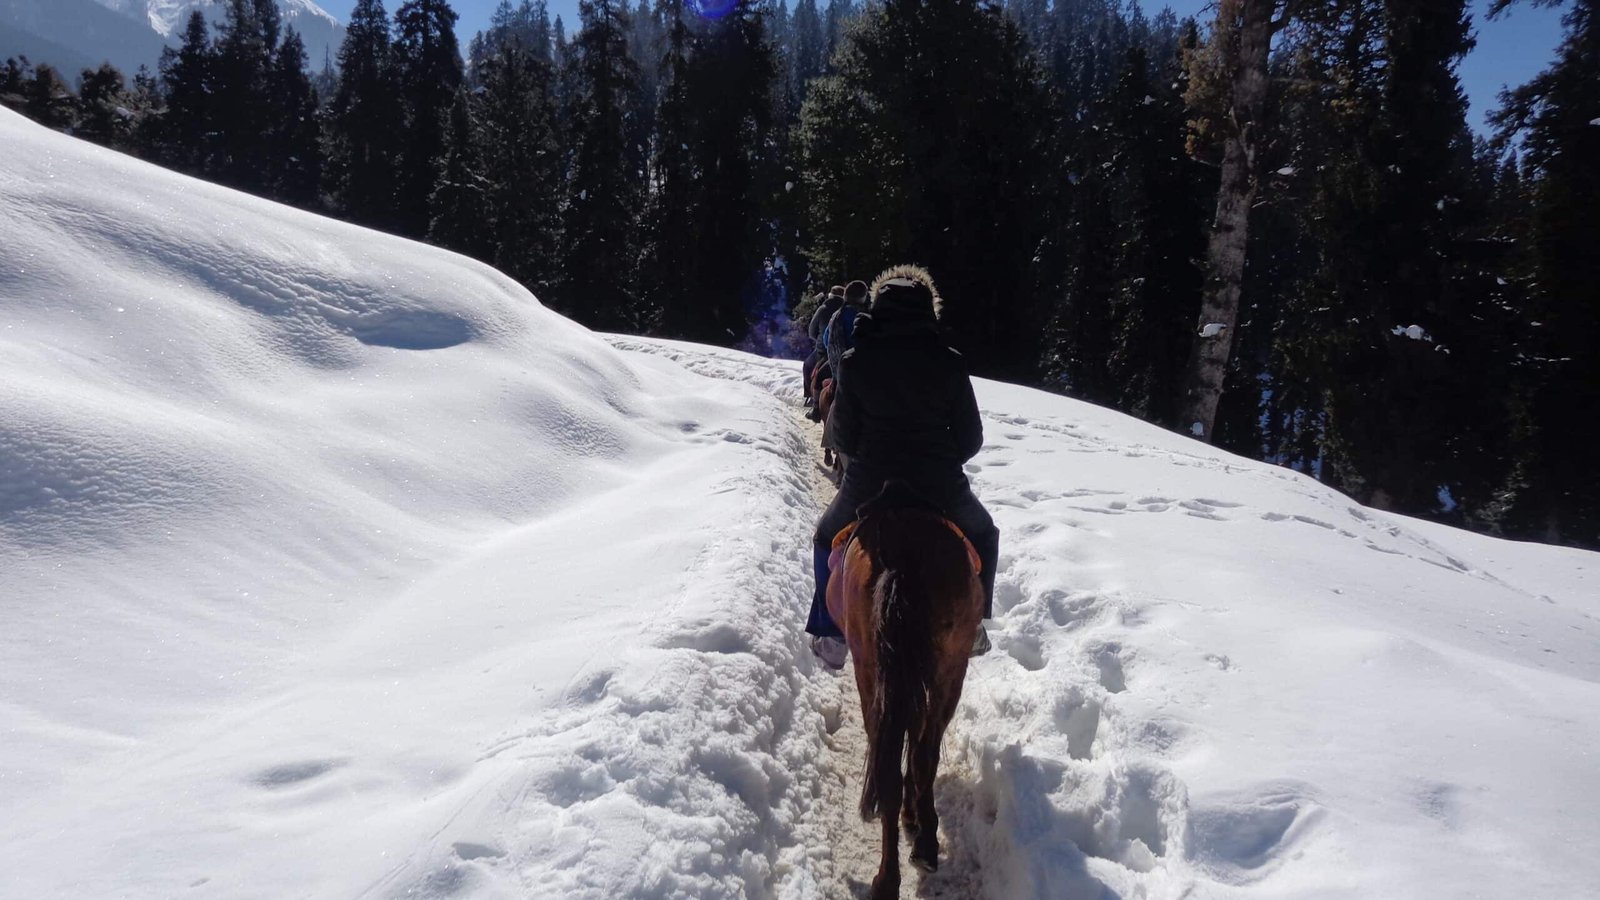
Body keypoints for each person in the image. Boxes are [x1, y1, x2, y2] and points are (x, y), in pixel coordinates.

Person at [806, 265, 999, 669]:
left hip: (870, 482)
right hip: (939, 482)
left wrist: (869, 458)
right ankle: (976, 626)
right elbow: (971, 438)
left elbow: (842, 436)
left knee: (826, 538)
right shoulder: (950, 362)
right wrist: (940, 459)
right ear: (930, 310)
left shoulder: (856, 362)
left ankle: (831, 634)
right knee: (984, 533)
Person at [802, 286, 845, 419]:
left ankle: (813, 403)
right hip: (847, 351)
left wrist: (818, 341)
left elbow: (811, 331)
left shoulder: (823, 309)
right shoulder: (847, 309)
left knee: (807, 366)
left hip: (824, 351)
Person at [823, 279, 870, 388]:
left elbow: (826, 340)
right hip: (859, 369)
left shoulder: (836, 315)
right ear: (863, 297)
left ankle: (815, 403)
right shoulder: (862, 315)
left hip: (836, 369)